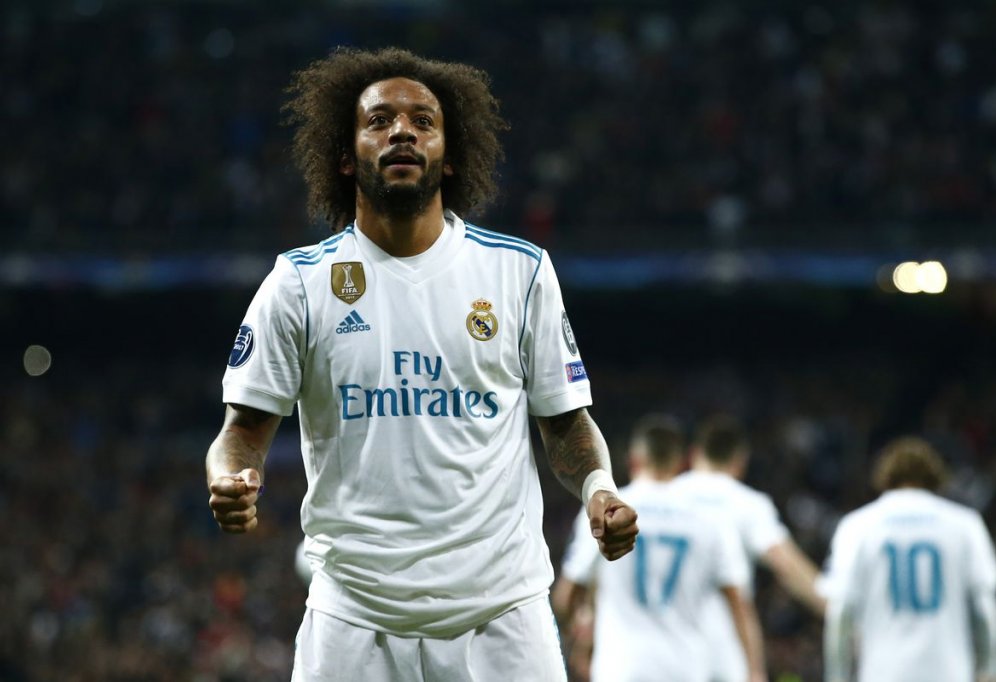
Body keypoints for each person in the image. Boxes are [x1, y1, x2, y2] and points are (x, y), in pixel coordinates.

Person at [204, 46, 639, 682]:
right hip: (353, 617)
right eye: (379, 120)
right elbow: (241, 431)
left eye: (423, 121)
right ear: (346, 156)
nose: (402, 131)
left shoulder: (519, 272)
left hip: (503, 614)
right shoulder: (298, 283)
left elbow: (566, 421)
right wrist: (229, 479)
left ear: (450, 155)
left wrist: (600, 489)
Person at [552, 414, 767, 682]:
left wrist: (579, 634)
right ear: (682, 464)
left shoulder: (607, 511)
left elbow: (565, 597)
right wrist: (755, 671)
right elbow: (739, 604)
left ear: (633, 461)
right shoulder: (710, 520)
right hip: (686, 668)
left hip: (620, 667)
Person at [821, 436, 996, 682]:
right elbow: (985, 609)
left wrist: (836, 677)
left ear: (885, 478)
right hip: (948, 673)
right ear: (935, 478)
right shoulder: (965, 524)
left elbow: (840, 614)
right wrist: (991, 669)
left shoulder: (857, 526)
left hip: (883, 673)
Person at [670, 413, 826, 682]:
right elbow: (786, 564)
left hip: (667, 648)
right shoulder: (747, 504)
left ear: (694, 454)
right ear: (740, 461)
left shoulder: (665, 497)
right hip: (722, 652)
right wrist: (835, 607)